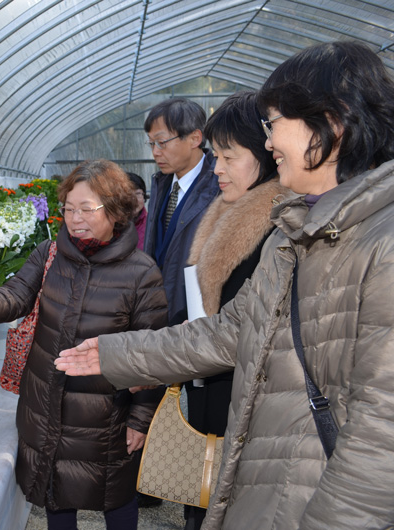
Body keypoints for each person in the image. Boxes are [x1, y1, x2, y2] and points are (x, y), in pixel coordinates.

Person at [55, 41, 394, 530]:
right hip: (273, 485)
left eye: (274, 123)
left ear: (331, 121)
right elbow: (228, 331)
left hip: (316, 501)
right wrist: (113, 355)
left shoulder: (380, 241)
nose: (270, 141)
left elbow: (381, 436)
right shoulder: (296, 231)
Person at [0, 159, 167, 530]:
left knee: (116, 498)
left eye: (87, 209)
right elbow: (14, 295)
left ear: (116, 210)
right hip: (47, 404)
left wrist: (140, 420)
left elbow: (151, 357)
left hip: (105, 416)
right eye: (69, 209)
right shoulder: (49, 255)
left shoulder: (142, 274)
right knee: (54, 496)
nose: (75, 219)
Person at [181, 91, 288, 530]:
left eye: (228, 156)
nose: (217, 168)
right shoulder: (223, 211)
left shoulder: (280, 228)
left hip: (247, 406)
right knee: (202, 496)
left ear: (265, 154)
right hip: (210, 387)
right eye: (215, 156)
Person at [143, 98, 220, 325]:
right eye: (151, 144)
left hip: (194, 318)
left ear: (195, 138)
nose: (156, 152)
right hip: (157, 308)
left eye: (162, 142)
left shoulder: (220, 186)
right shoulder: (162, 184)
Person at [126, 172, 148, 250]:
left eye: (138, 193)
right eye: (128, 194)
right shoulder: (110, 224)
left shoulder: (152, 224)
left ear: (144, 196)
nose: (133, 199)